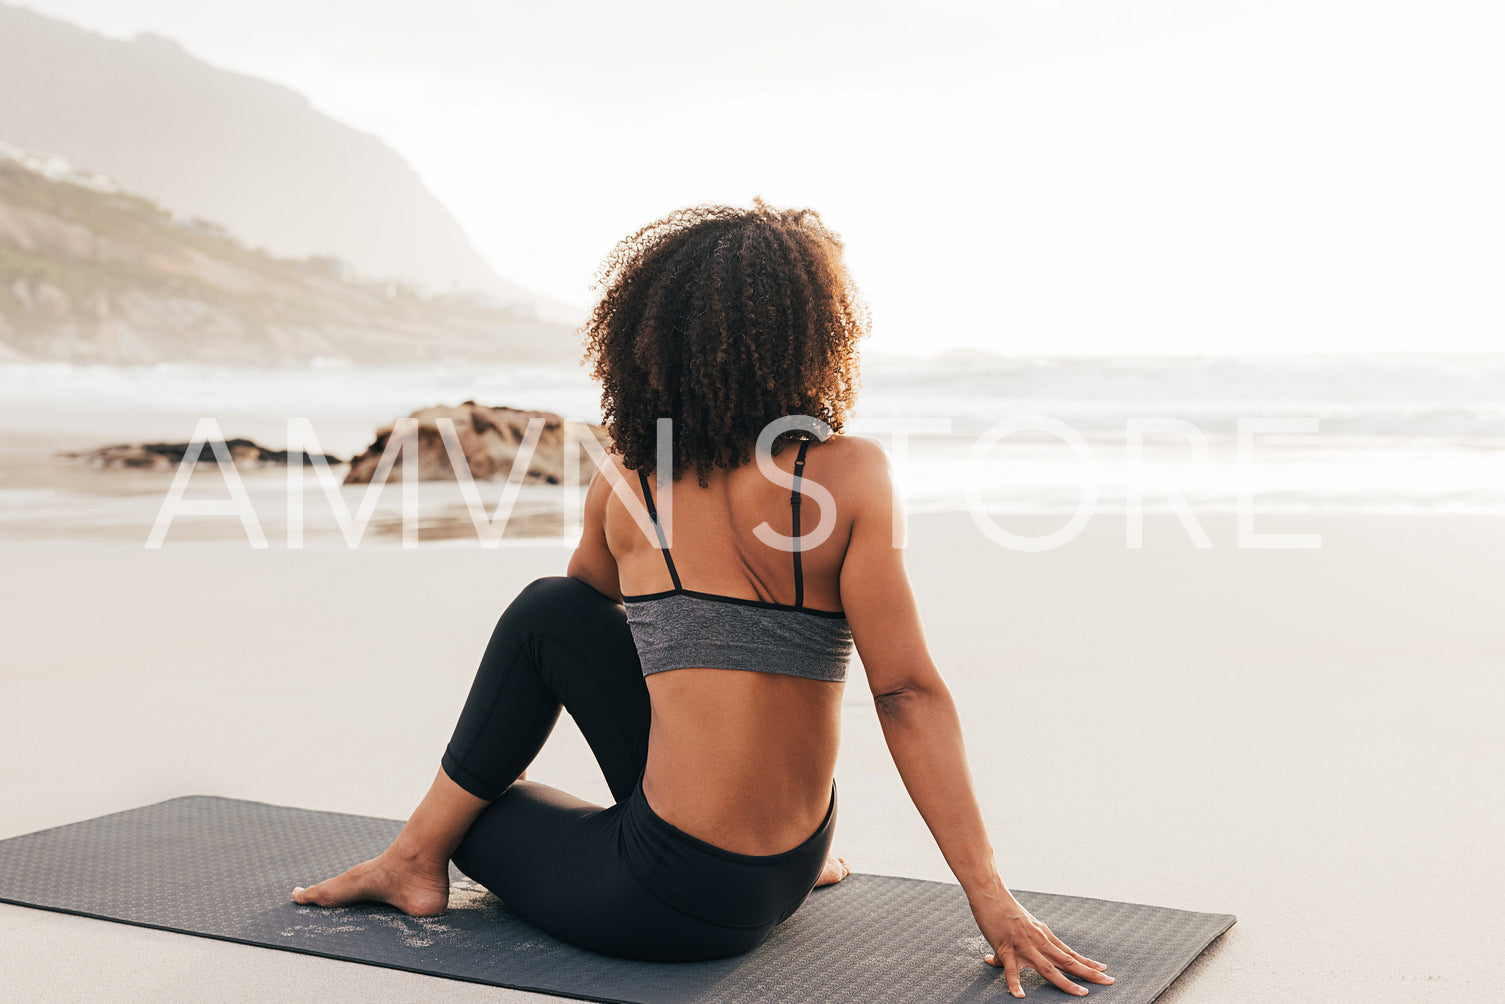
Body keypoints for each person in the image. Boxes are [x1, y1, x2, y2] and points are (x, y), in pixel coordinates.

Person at [292, 201, 1114, 998]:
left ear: (648, 342)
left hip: (669, 908)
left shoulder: (625, 486)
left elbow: (565, 633)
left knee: (522, 704)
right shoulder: (850, 475)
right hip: (795, 859)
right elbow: (905, 693)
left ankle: (411, 859)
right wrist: (988, 897)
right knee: (563, 616)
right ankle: (737, 833)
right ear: (812, 340)